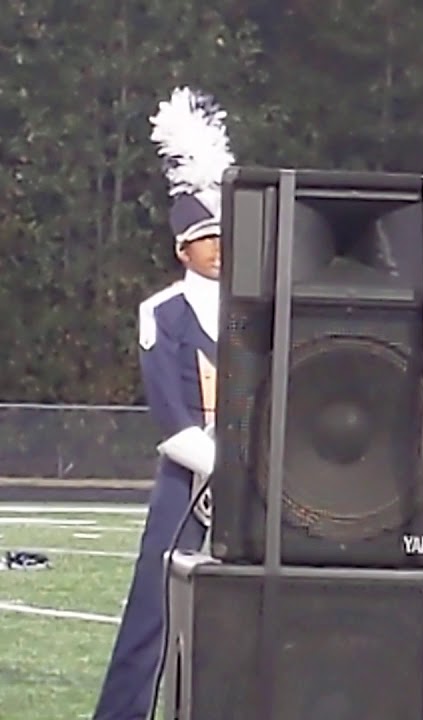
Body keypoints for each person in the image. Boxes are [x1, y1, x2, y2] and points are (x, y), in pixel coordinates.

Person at [92, 86, 235, 720]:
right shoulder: (164, 312)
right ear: (183, 249)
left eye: (226, 232)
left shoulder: (261, 316)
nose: (220, 246)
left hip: (257, 487)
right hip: (189, 483)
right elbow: (172, 416)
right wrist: (220, 466)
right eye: (206, 236)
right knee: (152, 616)